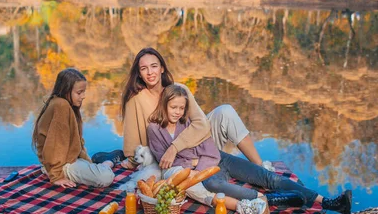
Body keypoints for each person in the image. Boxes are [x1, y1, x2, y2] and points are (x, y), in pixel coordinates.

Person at [146, 85, 352, 214]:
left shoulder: (189, 121)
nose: (178, 112)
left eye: (182, 108)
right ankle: (267, 200)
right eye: (173, 107)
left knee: (266, 176)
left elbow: (208, 147)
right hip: (207, 172)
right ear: (164, 105)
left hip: (217, 158)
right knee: (215, 184)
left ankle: (328, 202)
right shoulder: (154, 130)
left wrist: (193, 161)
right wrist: (192, 163)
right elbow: (165, 161)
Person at [112, 47, 269, 172]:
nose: (150, 72)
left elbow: (202, 124)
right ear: (139, 74)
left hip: (197, 145)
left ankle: (261, 167)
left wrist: (176, 146)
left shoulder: (179, 89)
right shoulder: (135, 101)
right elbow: (132, 147)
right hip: (169, 158)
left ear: (162, 69)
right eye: (144, 68)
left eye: (154, 66)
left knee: (225, 112)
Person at [32, 68, 116, 188]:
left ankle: (101, 164)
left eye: (84, 92)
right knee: (106, 177)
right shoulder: (61, 105)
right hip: (60, 165)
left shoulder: (66, 105)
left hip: (68, 160)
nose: (83, 96)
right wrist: (57, 176)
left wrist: (87, 162)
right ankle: (108, 162)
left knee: (98, 173)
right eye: (79, 92)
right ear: (66, 91)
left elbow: (77, 142)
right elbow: (55, 145)